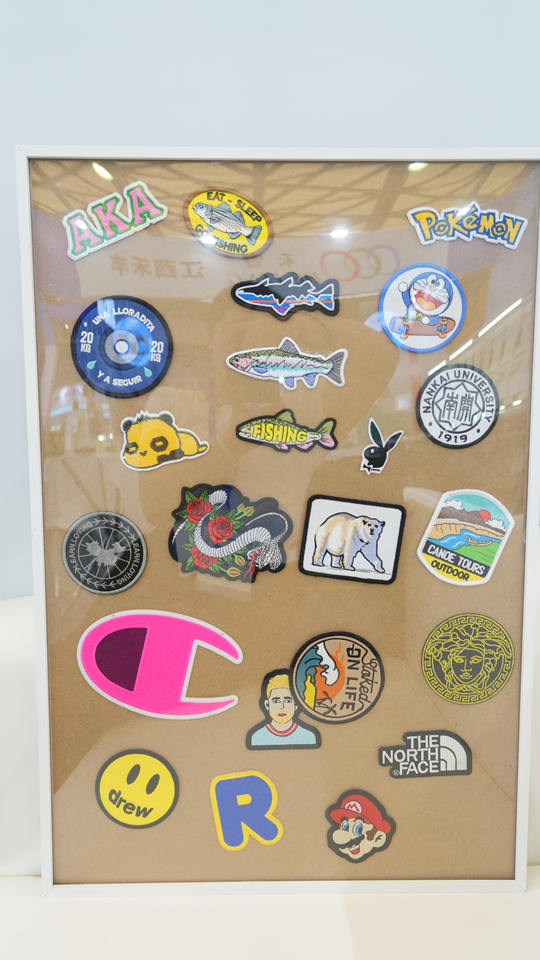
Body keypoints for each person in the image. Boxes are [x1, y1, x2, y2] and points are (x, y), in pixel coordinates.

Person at [246, 670, 320, 748]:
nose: (282, 706)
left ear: (296, 705)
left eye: (287, 701)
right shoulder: (257, 738)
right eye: (276, 701)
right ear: (267, 705)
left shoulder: (309, 737)